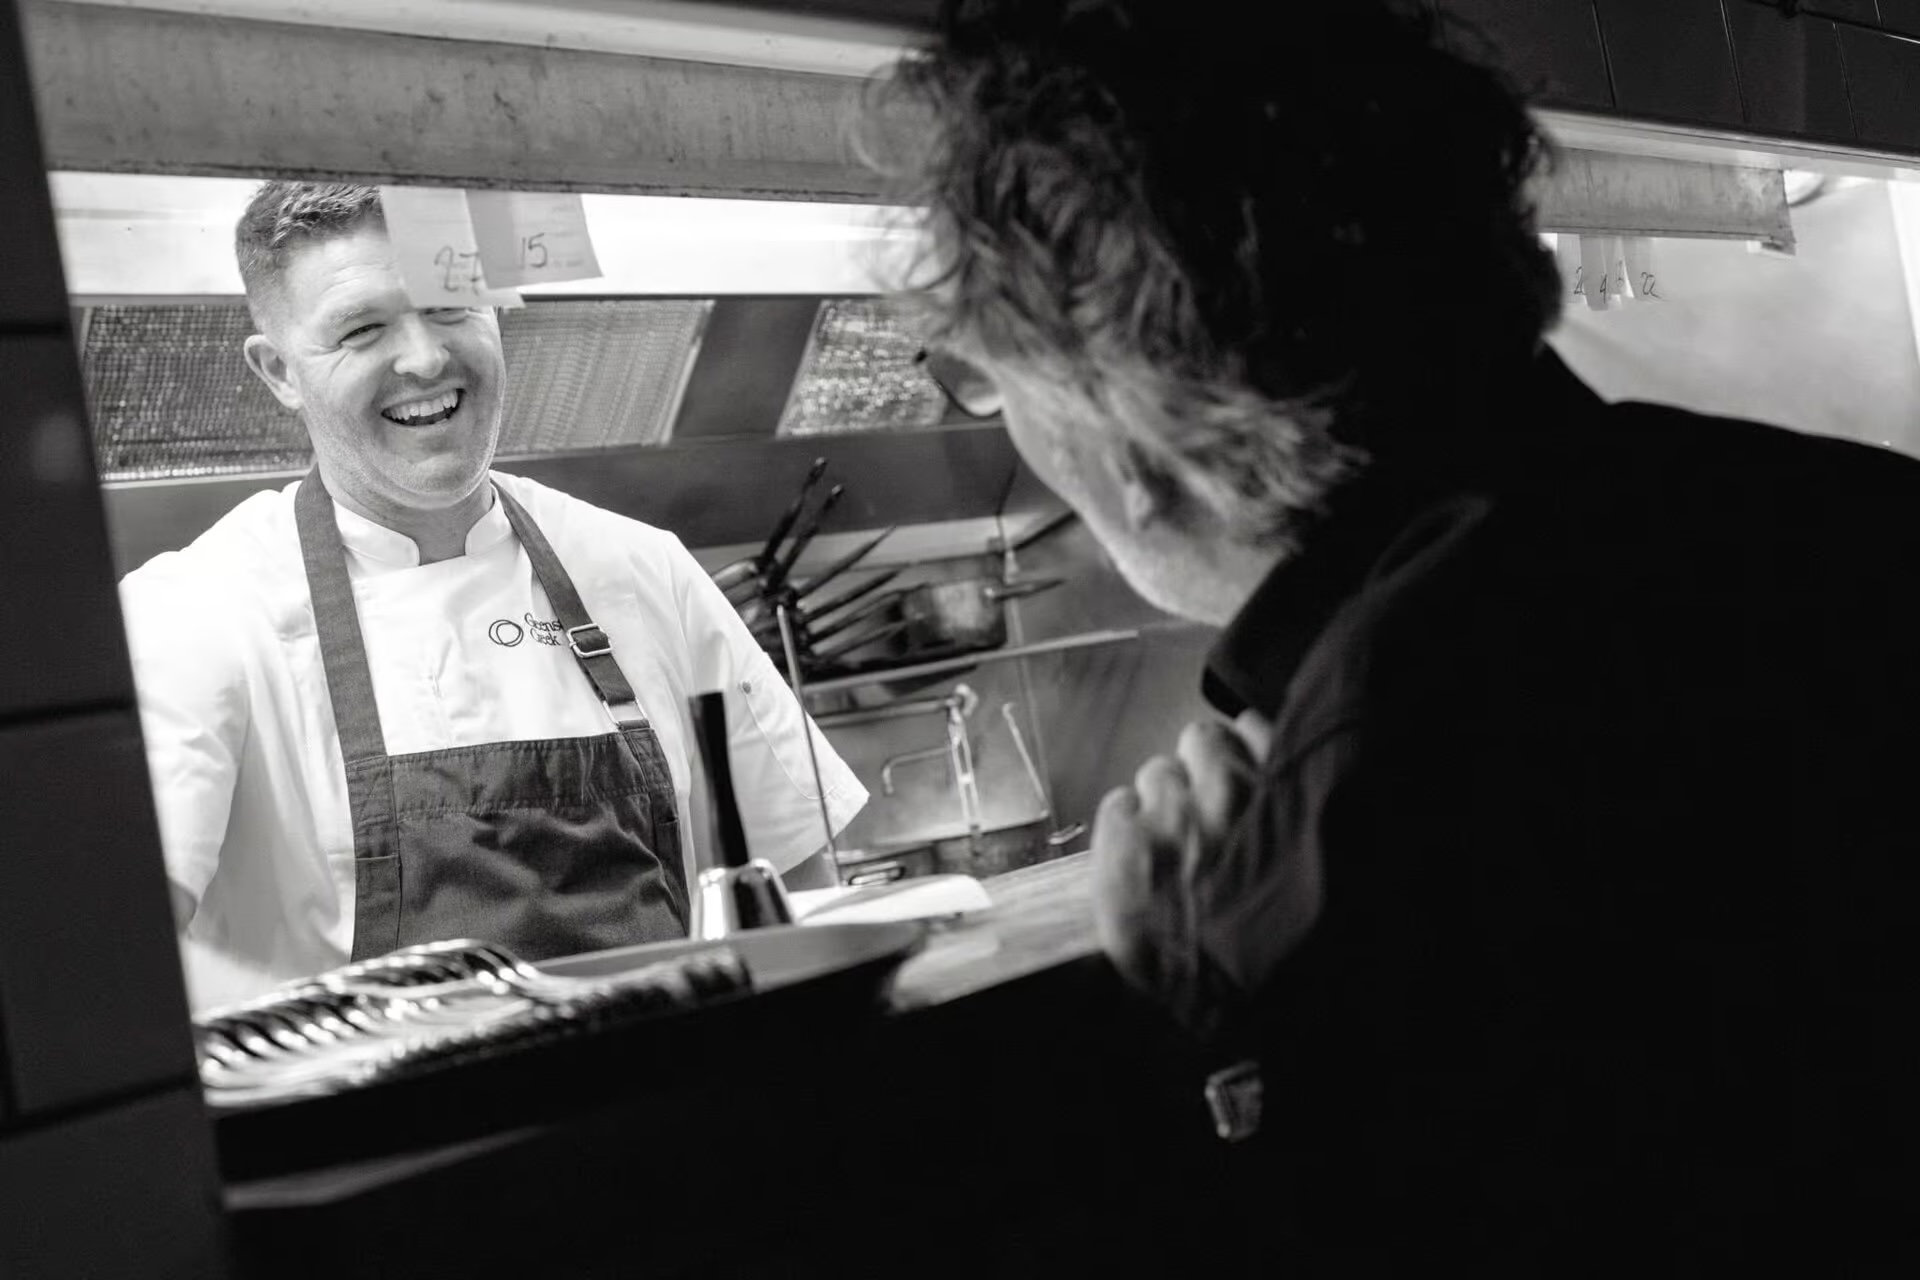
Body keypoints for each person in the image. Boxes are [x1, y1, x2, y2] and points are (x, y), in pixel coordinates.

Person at [871, 1, 1920, 1269]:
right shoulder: (1840, 510)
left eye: (991, 378)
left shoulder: (1383, 788)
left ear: (1127, 422)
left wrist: (1222, 1009)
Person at [120, 181, 865, 1012]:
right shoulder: (194, 614)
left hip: (670, 1099)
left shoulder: (643, 568)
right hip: (400, 1132)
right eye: (362, 329)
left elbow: (801, 877)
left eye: (451, 308)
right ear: (277, 372)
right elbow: (109, 955)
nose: (426, 358)